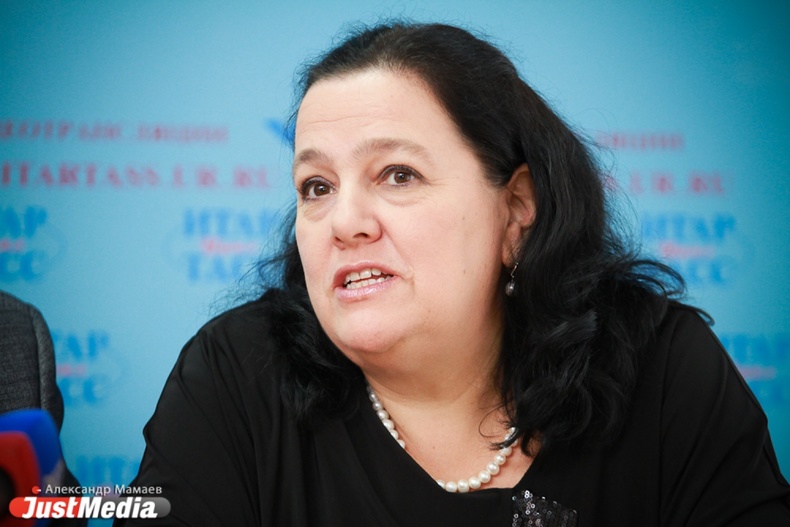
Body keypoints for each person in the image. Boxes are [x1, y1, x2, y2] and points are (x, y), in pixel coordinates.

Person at [117, 22, 790, 526]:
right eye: (316, 186)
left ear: (516, 209)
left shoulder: (659, 367)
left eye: (398, 174)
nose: (344, 221)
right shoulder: (237, 373)